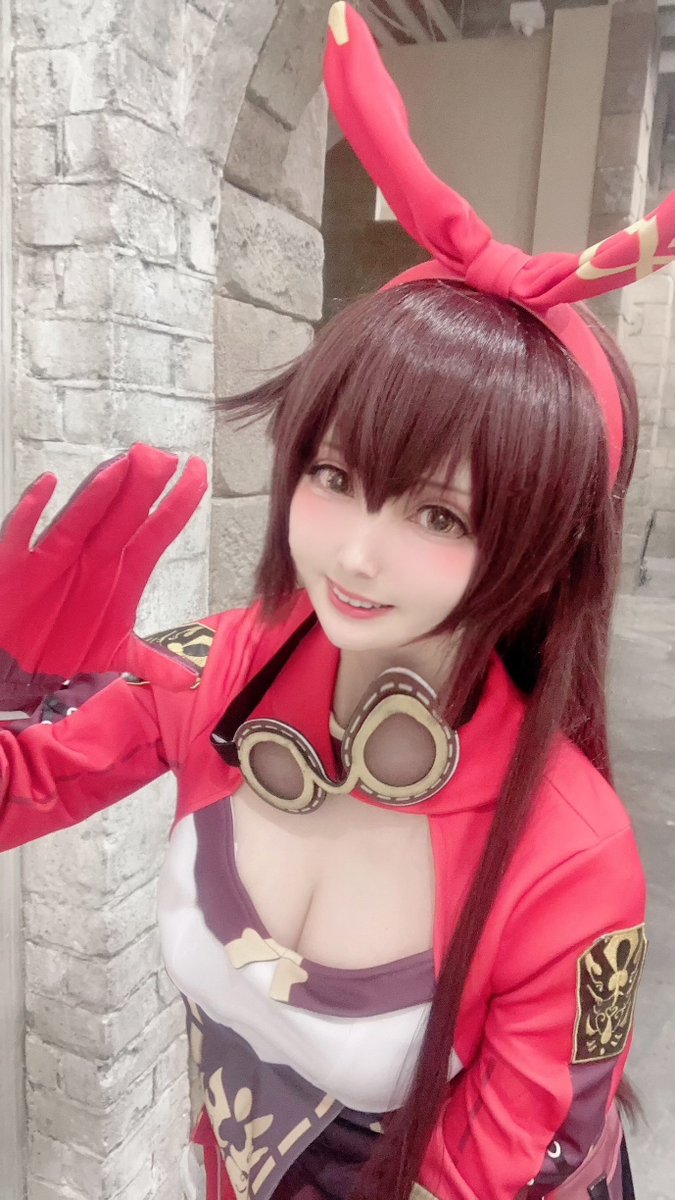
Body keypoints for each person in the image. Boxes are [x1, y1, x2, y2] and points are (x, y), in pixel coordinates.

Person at [1, 3, 669, 1197]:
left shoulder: (572, 859)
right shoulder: (226, 666)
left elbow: (510, 1174)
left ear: (543, 548)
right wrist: (10, 688)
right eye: (334, 476)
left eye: (440, 516)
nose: (355, 554)